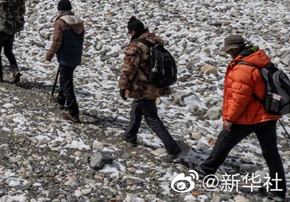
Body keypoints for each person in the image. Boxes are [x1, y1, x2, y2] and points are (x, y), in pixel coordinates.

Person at [197, 34, 286, 201]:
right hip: (268, 113)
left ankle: (206, 170)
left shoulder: (242, 68)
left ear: (236, 48)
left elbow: (239, 99)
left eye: (229, 50)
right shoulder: (259, 59)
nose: (228, 53)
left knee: (225, 139)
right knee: (271, 153)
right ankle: (278, 192)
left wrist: (229, 119)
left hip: (250, 116)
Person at [118, 16, 188, 162]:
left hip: (143, 86)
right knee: (137, 107)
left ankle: (174, 149)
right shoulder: (155, 41)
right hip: (155, 84)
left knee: (151, 117)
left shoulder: (136, 45)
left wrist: (122, 86)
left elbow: (128, 68)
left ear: (133, 31)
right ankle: (130, 135)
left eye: (130, 32)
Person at [45, 0, 84, 123]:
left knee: (67, 83)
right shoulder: (78, 21)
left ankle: (74, 112)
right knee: (65, 77)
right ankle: (60, 99)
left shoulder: (60, 22)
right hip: (76, 54)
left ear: (60, 9)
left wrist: (49, 55)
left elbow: (57, 41)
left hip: (65, 55)